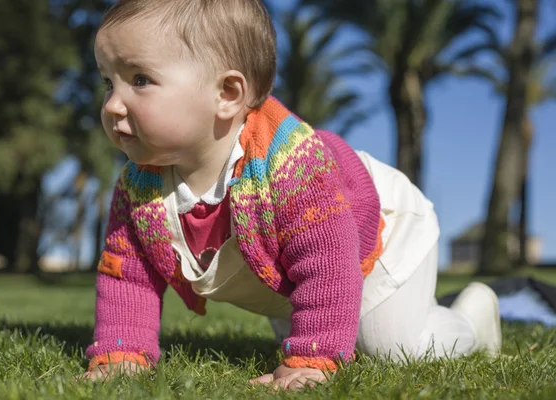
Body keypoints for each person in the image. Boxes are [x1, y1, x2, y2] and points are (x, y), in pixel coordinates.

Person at [81, 0, 502, 390]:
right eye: (107, 83)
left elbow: (328, 262)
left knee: (393, 349)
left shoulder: (293, 169)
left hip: (381, 237)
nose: (114, 105)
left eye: (140, 80)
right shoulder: (140, 186)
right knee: (310, 320)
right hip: (289, 274)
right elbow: (128, 275)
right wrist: (123, 353)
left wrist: (311, 360)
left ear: (227, 94)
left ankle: (470, 317)